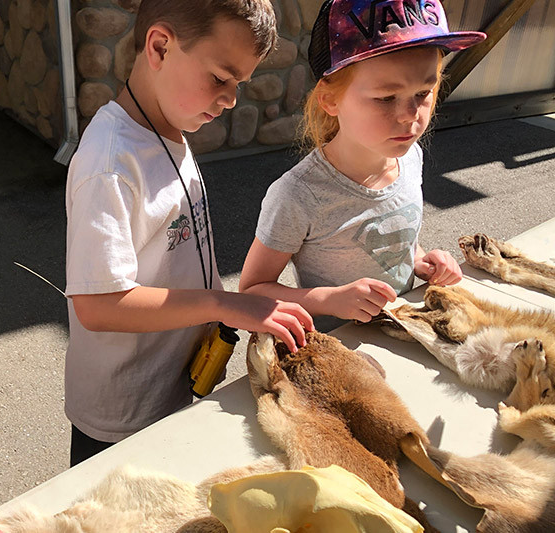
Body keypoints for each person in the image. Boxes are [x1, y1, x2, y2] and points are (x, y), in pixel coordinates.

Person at [65, 0, 314, 466]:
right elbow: (97, 305)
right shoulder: (110, 164)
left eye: (238, 84)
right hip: (123, 414)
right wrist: (224, 303)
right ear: (160, 46)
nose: (231, 99)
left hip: (171, 386)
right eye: (221, 78)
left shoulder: (167, 125)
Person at [239, 0, 485, 332]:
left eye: (423, 92)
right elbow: (251, 290)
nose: (410, 115)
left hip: (406, 332)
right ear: (330, 99)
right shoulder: (298, 194)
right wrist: (328, 300)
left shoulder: (410, 159)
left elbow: (399, 248)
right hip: (339, 354)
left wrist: (421, 262)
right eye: (386, 97)